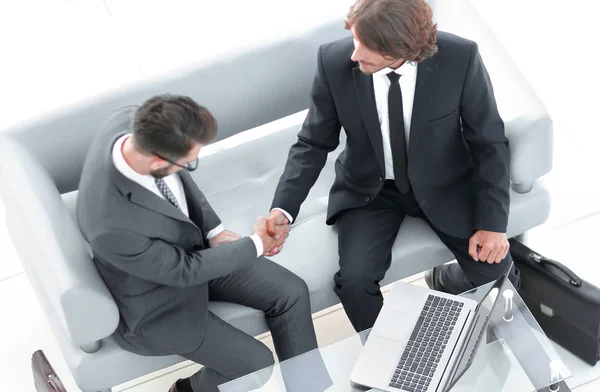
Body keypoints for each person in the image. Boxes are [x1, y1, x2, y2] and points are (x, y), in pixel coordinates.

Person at [265, 0, 520, 333]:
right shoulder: (334, 62)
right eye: (355, 41)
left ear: (399, 48)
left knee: (500, 272)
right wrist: (282, 210)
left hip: (446, 185)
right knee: (354, 283)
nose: (354, 55)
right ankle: (391, 359)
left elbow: (488, 143)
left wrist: (492, 223)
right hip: (370, 192)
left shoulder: (460, 58)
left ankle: (453, 285)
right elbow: (313, 143)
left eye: (365, 46)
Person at [76, 95, 318, 392]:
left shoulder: (132, 122)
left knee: (291, 292)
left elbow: (176, 180)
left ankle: (309, 387)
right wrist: (258, 243)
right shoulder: (109, 224)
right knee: (256, 365)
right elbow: (184, 271)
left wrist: (214, 231)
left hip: (192, 253)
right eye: (189, 162)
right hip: (158, 306)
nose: (191, 165)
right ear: (156, 160)